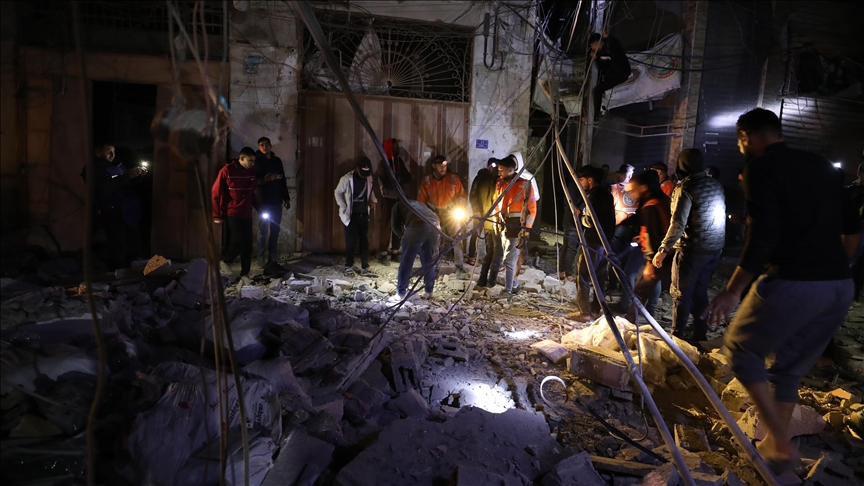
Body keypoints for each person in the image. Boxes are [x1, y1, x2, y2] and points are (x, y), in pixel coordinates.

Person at [703, 108, 859, 474]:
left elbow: (764, 234)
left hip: (794, 280)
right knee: (786, 371)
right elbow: (853, 227)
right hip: (839, 286)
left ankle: (781, 442)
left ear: (746, 136)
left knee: (741, 350)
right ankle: (774, 451)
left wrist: (733, 291)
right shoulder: (821, 166)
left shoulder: (761, 168)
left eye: (739, 141)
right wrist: (835, 267)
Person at [652, 148, 725, 343]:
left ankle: (678, 339)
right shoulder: (715, 184)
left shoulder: (685, 187)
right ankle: (700, 335)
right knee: (700, 292)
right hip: (714, 249)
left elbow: (678, 223)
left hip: (692, 250)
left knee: (681, 294)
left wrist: (663, 249)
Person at [82, 141, 147, 270]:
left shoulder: (117, 165)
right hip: (110, 212)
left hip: (127, 210)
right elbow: (105, 186)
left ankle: (132, 269)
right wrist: (128, 175)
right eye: (108, 152)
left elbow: (128, 185)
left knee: (134, 241)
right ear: (98, 153)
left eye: (113, 152)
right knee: (117, 244)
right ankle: (116, 272)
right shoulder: (93, 169)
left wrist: (138, 176)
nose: (112, 155)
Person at [568, 166, 615, 320]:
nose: (580, 183)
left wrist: (579, 215)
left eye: (581, 179)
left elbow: (590, 221)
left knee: (583, 275)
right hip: (605, 241)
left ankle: (584, 312)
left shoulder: (592, 196)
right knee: (599, 277)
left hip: (593, 241)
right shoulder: (607, 195)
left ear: (590, 180)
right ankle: (596, 310)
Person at [488, 156, 537, 296]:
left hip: (517, 226)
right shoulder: (500, 183)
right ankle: (514, 285)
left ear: (511, 170)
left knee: (509, 260)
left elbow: (532, 210)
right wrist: (496, 221)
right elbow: (496, 204)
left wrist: (525, 230)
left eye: (501, 170)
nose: (499, 172)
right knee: (510, 258)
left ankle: (508, 290)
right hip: (503, 224)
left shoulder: (525, 185)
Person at [627, 171, 672, 320]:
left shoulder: (651, 206)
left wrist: (650, 262)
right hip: (669, 253)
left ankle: (629, 323)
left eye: (633, 190)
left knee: (640, 290)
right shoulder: (662, 200)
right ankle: (647, 315)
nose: (631, 195)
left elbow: (653, 234)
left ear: (644, 188)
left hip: (660, 256)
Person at [213, 147, 260, 278]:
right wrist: (216, 214)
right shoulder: (227, 171)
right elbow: (215, 192)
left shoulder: (251, 172)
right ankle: (226, 260)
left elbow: (252, 193)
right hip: (232, 212)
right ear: (241, 158)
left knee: (248, 245)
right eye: (250, 161)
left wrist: (260, 209)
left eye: (253, 161)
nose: (252, 163)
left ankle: (245, 273)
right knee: (237, 240)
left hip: (247, 212)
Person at [417, 155, 468, 274]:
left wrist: (458, 206)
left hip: (451, 214)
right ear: (433, 166)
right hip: (434, 214)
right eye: (440, 165)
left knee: (457, 238)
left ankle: (459, 266)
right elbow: (421, 200)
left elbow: (462, 196)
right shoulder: (427, 181)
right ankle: (433, 267)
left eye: (444, 165)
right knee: (434, 241)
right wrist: (424, 214)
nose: (443, 167)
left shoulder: (454, 179)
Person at [335, 157, 378, 276]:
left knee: (364, 241)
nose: (364, 175)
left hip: (363, 214)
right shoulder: (346, 179)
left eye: (366, 173)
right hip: (351, 215)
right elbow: (337, 192)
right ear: (357, 168)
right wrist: (343, 206)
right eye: (362, 172)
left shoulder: (368, 178)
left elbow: (370, 192)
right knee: (351, 242)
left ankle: (365, 266)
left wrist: (373, 200)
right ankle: (348, 266)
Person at [391, 200, 440, 301]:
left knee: (406, 260)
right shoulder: (418, 204)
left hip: (418, 223)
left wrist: (402, 235)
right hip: (436, 225)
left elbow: (395, 226)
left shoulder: (397, 205)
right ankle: (429, 292)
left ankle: (400, 294)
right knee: (429, 261)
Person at [609, 163, 642, 311]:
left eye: (632, 174)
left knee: (625, 261)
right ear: (621, 174)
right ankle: (613, 285)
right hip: (618, 227)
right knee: (614, 257)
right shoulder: (614, 188)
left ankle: (623, 290)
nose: (629, 176)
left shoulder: (636, 190)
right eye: (628, 173)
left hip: (631, 230)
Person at [254, 137, 291, 267]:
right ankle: (260, 257)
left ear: (271, 146)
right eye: (261, 145)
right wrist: (265, 179)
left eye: (267, 144)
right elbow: (253, 181)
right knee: (263, 230)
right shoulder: (256, 161)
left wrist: (286, 198)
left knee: (275, 229)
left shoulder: (276, 161)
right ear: (259, 147)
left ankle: (273, 256)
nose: (265, 147)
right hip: (263, 201)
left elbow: (282, 181)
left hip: (276, 201)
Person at [377, 138, 412, 265]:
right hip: (388, 198)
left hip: (399, 197)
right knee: (386, 225)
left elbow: (408, 177)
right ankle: (383, 253)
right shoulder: (383, 163)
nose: (397, 148)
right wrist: (397, 179)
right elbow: (385, 182)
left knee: (398, 224)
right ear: (388, 148)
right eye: (395, 146)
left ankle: (395, 252)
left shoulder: (399, 161)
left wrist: (398, 178)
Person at [587, 32, 632, 118]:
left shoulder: (604, 53)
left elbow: (603, 68)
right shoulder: (611, 43)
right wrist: (608, 37)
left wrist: (596, 58)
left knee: (598, 90)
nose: (592, 48)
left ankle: (596, 115)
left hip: (619, 75)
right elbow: (616, 42)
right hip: (625, 69)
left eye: (592, 46)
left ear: (597, 44)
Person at [471, 158, 500, 287]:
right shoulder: (481, 178)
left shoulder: (496, 180)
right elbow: (473, 195)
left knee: (491, 246)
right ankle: (471, 255)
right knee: (476, 233)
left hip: (492, 217)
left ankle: (485, 278)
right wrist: (476, 210)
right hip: (481, 213)